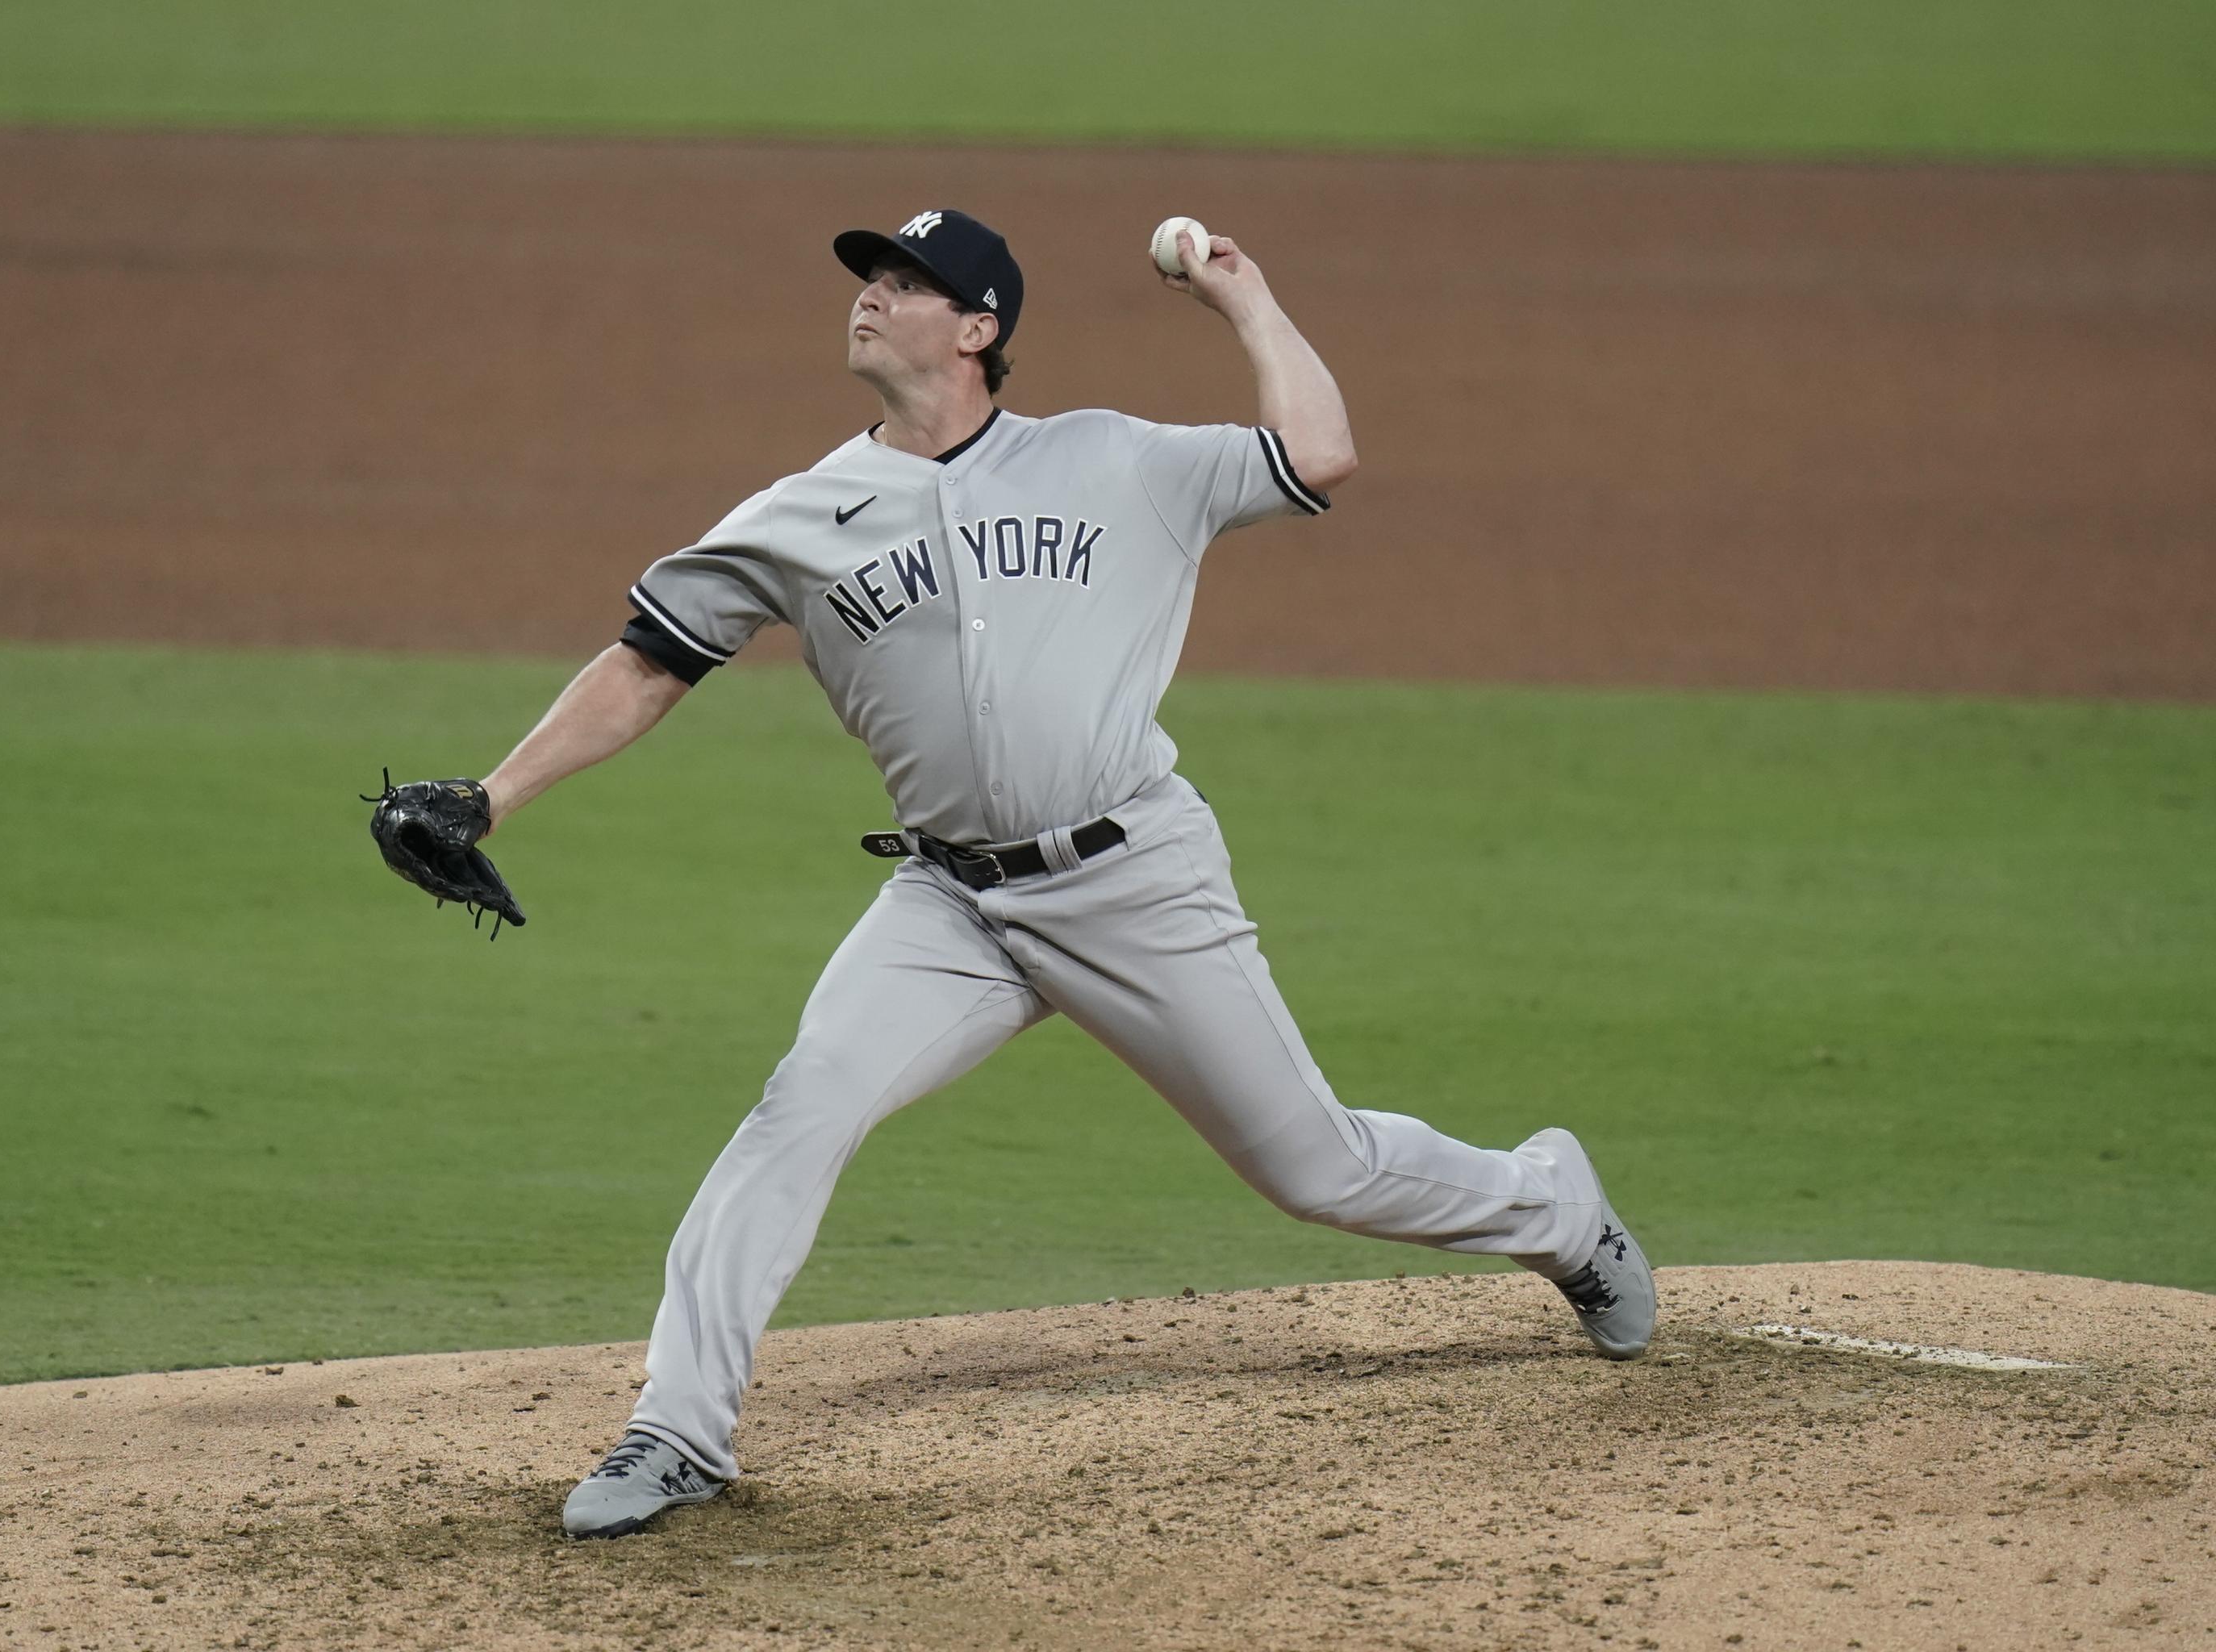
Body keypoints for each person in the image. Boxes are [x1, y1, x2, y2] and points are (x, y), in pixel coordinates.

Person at [463, 208, 1655, 1541]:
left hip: (1132, 878)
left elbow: (1320, 455)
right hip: (950, 905)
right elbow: (647, 664)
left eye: (907, 283)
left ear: (979, 329)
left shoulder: (1112, 459)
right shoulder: (796, 516)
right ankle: (677, 1432)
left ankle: (1556, 1208)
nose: (871, 297)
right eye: (870, 277)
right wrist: (490, 799)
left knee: (1317, 1170)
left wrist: (1245, 305)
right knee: (799, 1112)